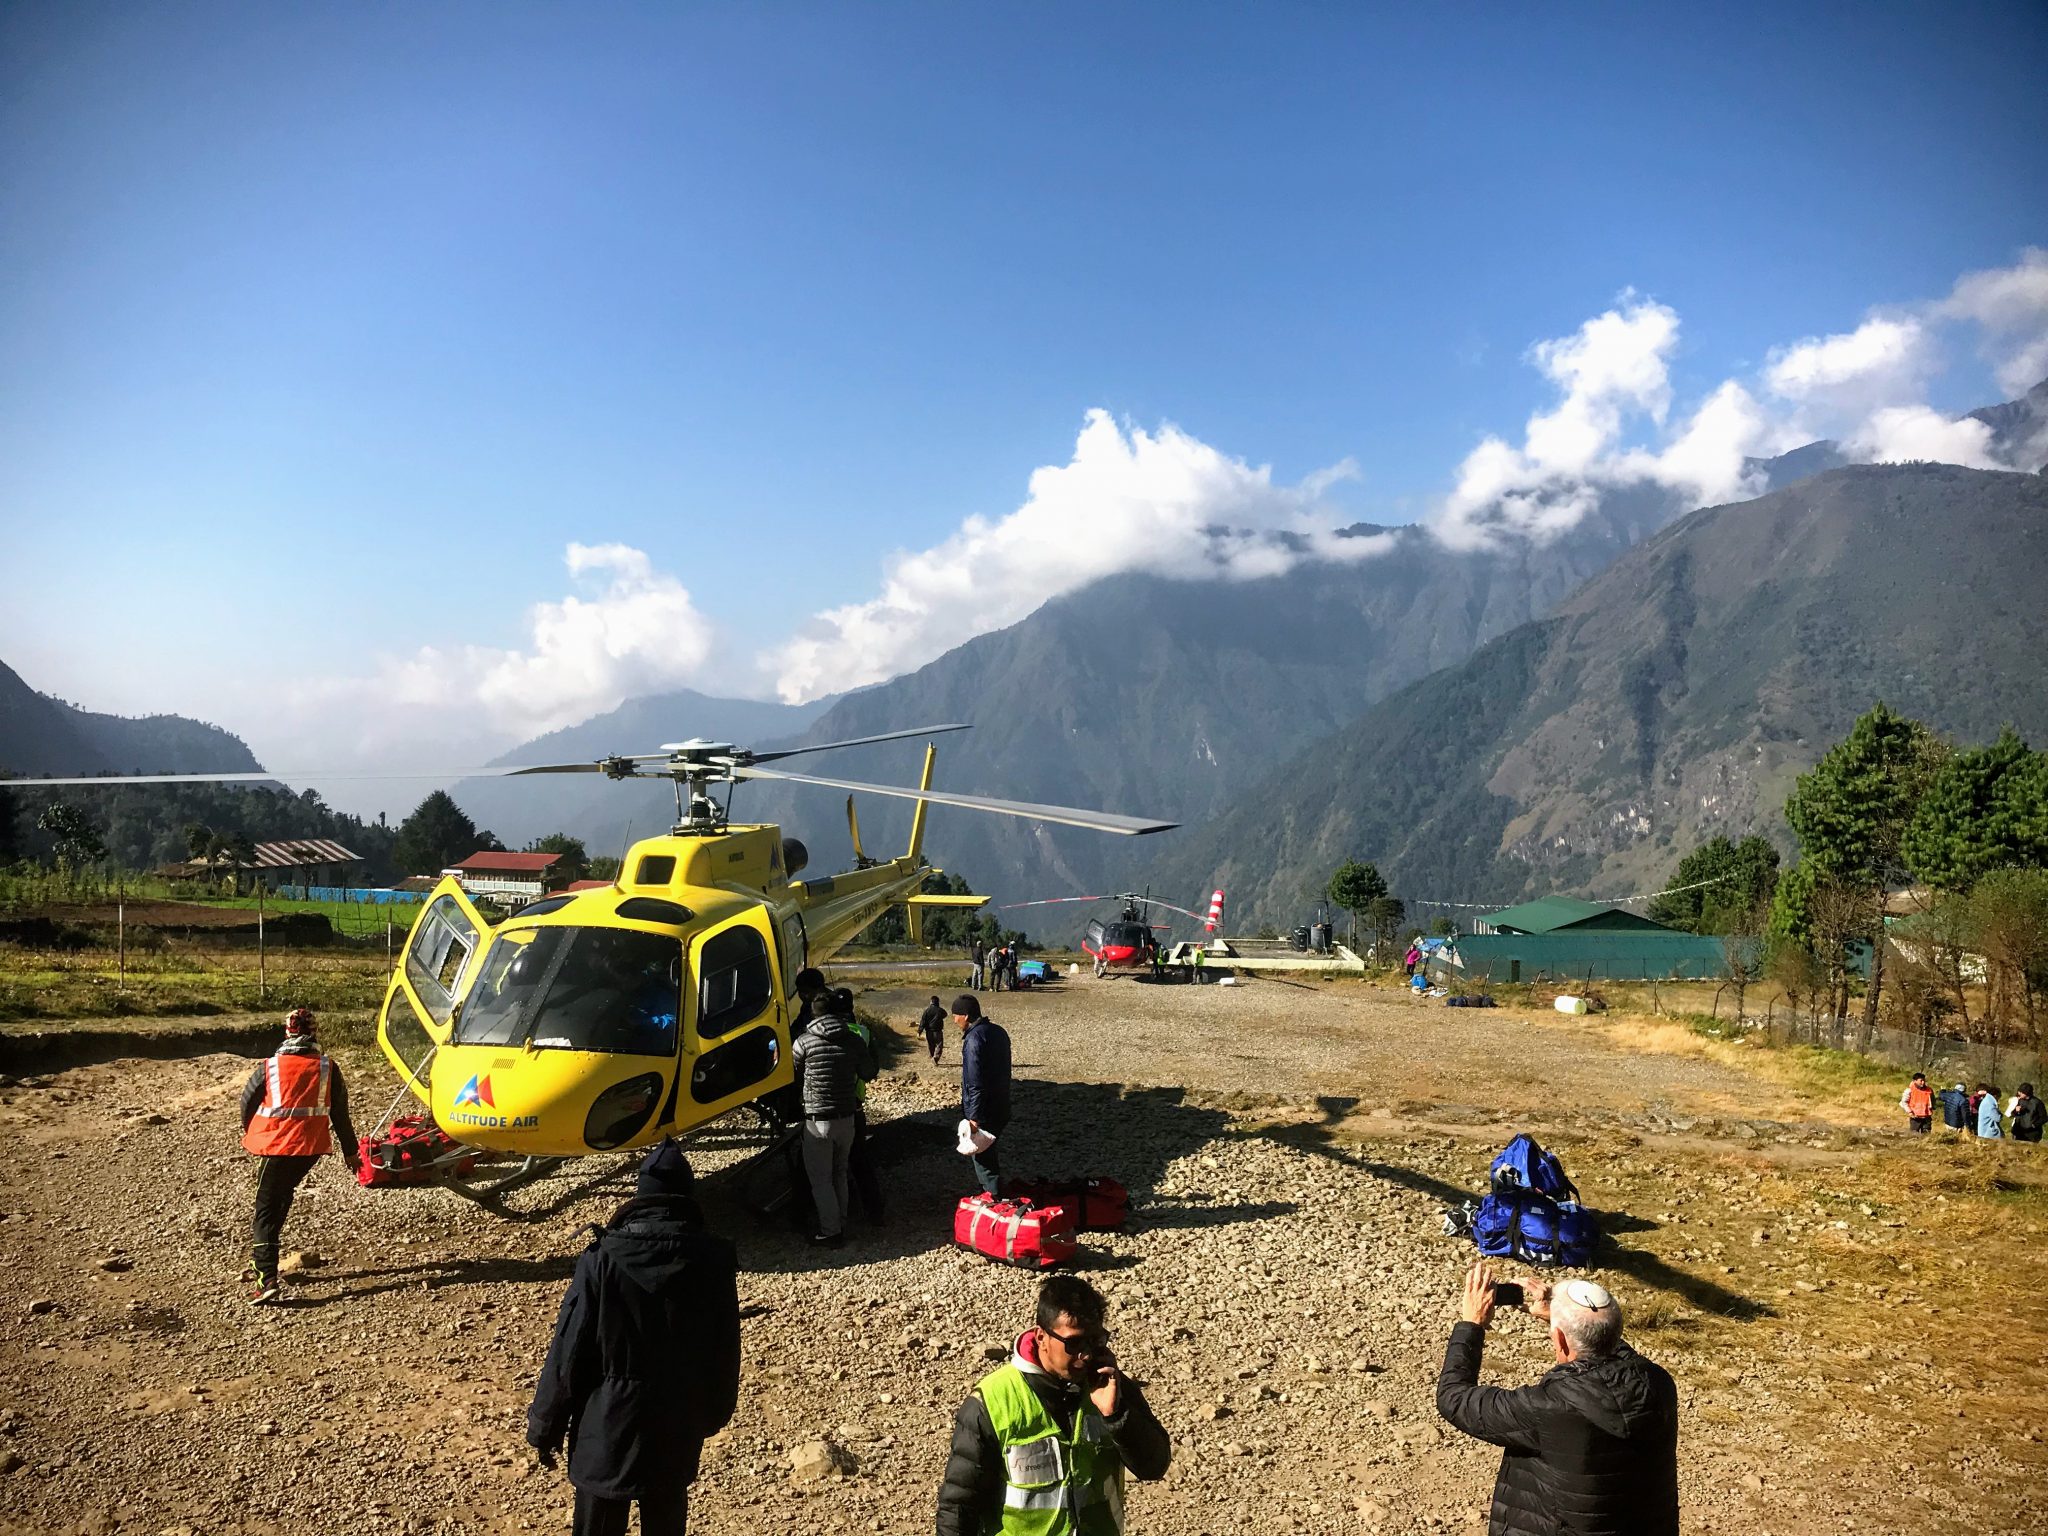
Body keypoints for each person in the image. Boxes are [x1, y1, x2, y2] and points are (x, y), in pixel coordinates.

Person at [527, 1142, 740, 1536]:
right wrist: (710, 1416)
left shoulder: (602, 1257)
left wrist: (546, 1426)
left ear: (640, 1195)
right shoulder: (714, 1261)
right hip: (675, 1423)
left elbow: (569, 1350)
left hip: (604, 1426)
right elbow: (725, 1350)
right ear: (686, 1195)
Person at [1437, 1261, 1678, 1536]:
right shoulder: (1659, 1383)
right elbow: (1610, 1348)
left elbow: (1453, 1397)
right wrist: (1565, 1323)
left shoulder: (1549, 1406)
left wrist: (1472, 1324)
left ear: (1560, 1341)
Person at [936, 1274, 1171, 1535]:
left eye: (1095, 1340)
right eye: (1073, 1343)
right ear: (1040, 1337)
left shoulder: (1113, 1387)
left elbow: (1155, 1466)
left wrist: (1116, 1416)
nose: (1086, 1354)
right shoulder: (992, 1401)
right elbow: (959, 1504)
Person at [238, 1007, 359, 1306]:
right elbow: (341, 1115)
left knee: (265, 1209)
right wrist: (351, 1153)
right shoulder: (329, 1068)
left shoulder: (270, 1067)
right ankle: (268, 1259)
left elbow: (246, 1102)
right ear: (314, 1033)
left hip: (276, 1147)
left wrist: (253, 1131)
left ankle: (265, 1278)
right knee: (281, 1197)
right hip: (311, 1149)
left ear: (287, 1033)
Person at [791, 985, 874, 1245]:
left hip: (818, 1119)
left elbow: (793, 1075)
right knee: (840, 1171)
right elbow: (869, 1072)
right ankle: (843, 1222)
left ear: (813, 1015)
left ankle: (831, 1232)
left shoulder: (803, 1042)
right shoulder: (854, 1038)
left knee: (821, 1179)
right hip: (847, 1116)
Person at [839, 988, 886, 1225]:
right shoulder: (864, 1032)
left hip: (825, 1107)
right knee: (860, 1160)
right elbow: (872, 1070)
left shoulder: (815, 1032)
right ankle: (873, 1210)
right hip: (855, 1103)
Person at [956, 993, 1011, 1196]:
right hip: (1001, 1104)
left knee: (982, 1156)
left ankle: (993, 1198)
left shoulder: (973, 1040)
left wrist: (974, 1118)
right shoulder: (998, 1032)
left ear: (966, 1016)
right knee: (988, 1153)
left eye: (956, 1015)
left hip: (985, 1110)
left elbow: (975, 1082)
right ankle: (991, 1191)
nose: (954, 1020)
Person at [919, 994, 948, 1065]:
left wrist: (919, 1031)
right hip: (938, 1031)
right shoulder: (940, 1010)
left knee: (931, 1045)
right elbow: (945, 1014)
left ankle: (932, 1056)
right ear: (937, 1002)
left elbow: (923, 1021)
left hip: (929, 1031)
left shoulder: (927, 1011)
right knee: (939, 1045)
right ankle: (936, 1057)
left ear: (931, 1002)